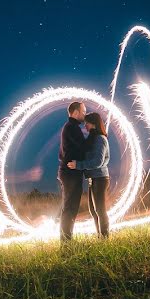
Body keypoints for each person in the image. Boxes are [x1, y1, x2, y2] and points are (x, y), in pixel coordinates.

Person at [67, 112, 110, 238]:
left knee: (100, 210)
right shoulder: (93, 139)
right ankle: (100, 236)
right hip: (93, 178)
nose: (85, 125)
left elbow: (98, 161)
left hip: (100, 178)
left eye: (87, 123)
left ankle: (104, 238)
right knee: (93, 210)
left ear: (94, 124)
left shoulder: (100, 139)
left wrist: (78, 165)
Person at [57, 100, 87, 241]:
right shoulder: (72, 128)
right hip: (70, 173)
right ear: (75, 112)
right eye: (83, 112)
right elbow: (82, 148)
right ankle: (66, 242)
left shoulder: (70, 127)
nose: (85, 115)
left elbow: (65, 153)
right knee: (70, 207)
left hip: (69, 172)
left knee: (70, 207)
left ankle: (67, 240)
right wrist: (96, 136)